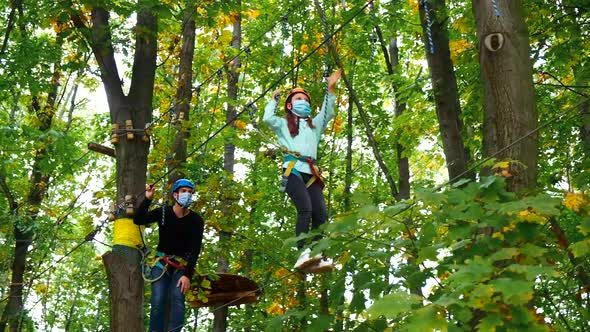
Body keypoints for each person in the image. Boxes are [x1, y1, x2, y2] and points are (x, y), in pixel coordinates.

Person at [263, 70, 342, 273]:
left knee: (321, 214)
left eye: (305, 99)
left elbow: (328, 111)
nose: (303, 102)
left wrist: (330, 87)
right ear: (290, 104)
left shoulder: (314, 125)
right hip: (292, 170)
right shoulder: (283, 124)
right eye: (299, 99)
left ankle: (317, 253)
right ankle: (302, 253)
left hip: (310, 171)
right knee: (305, 208)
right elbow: (267, 119)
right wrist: (274, 100)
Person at [134, 178, 205, 332]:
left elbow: (195, 250)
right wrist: (147, 199)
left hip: (182, 266)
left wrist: (187, 275)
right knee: (158, 301)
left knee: (178, 300)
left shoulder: (196, 221)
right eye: (183, 191)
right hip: (161, 262)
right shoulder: (164, 212)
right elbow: (138, 220)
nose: (187, 194)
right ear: (175, 195)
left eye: (190, 192)